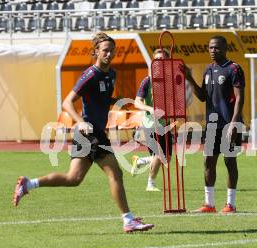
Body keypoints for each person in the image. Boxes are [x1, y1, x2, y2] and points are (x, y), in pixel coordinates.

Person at [13, 32, 154, 233]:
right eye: (105, 50)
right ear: (96, 51)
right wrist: (80, 122)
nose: (109, 54)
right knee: (115, 173)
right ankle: (128, 219)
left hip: (95, 133)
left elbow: (99, 98)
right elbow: (67, 102)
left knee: (74, 179)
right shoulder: (90, 74)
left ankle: (29, 184)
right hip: (89, 133)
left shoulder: (111, 74)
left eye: (112, 50)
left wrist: (114, 101)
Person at [181, 35, 245, 213]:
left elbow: (240, 98)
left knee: (229, 162)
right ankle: (209, 204)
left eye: (216, 47)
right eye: (210, 47)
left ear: (225, 48)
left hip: (229, 123)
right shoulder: (208, 70)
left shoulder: (234, 69)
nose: (213, 51)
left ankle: (230, 204)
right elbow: (202, 96)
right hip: (212, 125)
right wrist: (189, 78)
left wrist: (234, 122)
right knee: (208, 162)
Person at [132, 48, 173, 192]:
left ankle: (140, 161)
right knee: (159, 154)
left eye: (163, 60)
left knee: (166, 158)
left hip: (166, 124)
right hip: (151, 124)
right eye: (157, 60)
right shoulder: (147, 81)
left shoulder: (171, 80)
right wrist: (150, 109)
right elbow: (137, 102)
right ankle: (151, 184)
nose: (159, 63)